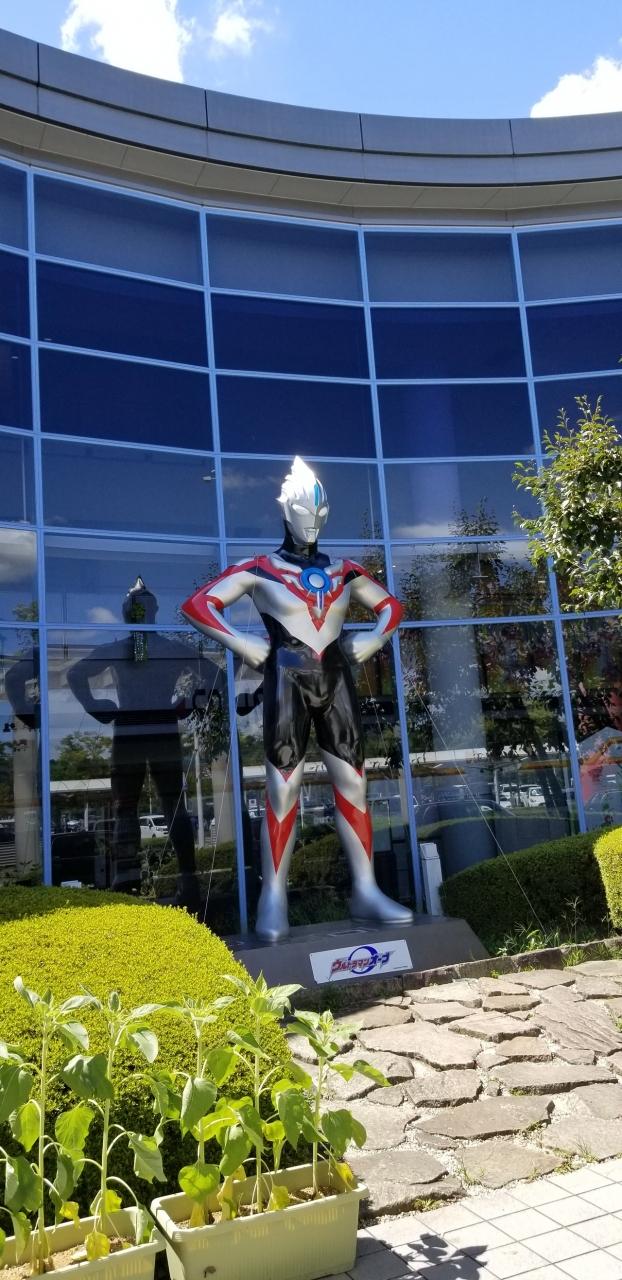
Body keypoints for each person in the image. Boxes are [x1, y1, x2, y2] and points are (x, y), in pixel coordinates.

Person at [181, 456, 413, 941]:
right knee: (283, 787)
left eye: (320, 514)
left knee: (354, 783)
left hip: (336, 681)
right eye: (305, 512)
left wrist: (373, 640)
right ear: (285, 510)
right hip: (287, 680)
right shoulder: (260, 568)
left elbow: (391, 606)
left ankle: (366, 889)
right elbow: (199, 605)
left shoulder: (344, 570)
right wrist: (243, 644)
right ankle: (274, 896)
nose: (313, 523)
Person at [67, 577, 223, 910]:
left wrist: (190, 700)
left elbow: (217, 677)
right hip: (151, 727)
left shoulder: (145, 648)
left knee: (145, 806)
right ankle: (159, 879)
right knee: (148, 806)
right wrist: (191, 700)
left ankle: (156, 880)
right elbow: (217, 677)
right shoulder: (156, 648)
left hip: (139, 728)